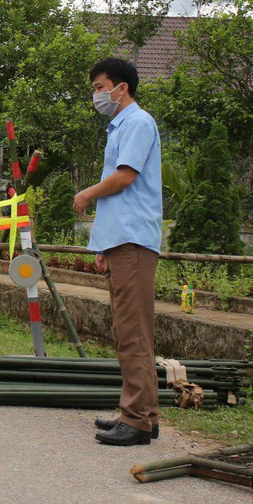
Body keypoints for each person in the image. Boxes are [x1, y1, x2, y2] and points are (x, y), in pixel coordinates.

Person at [74, 57, 163, 446]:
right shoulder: (121, 126)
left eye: (100, 88)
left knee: (133, 332)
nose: (96, 96)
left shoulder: (138, 123)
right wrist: (103, 244)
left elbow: (125, 177)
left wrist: (87, 193)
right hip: (120, 240)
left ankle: (136, 419)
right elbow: (120, 194)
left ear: (121, 88)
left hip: (133, 240)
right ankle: (145, 415)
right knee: (130, 329)